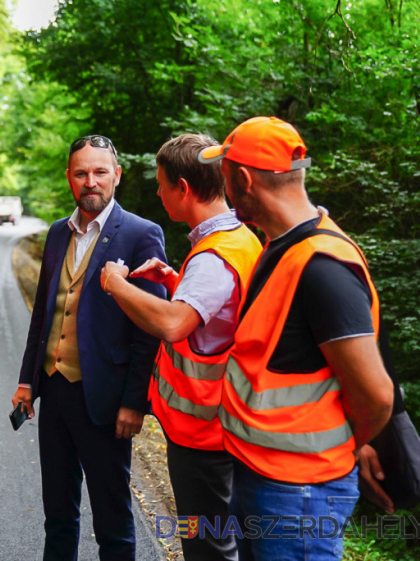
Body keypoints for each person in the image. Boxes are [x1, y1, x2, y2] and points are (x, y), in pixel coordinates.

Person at [197, 116, 394, 561]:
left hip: (299, 493)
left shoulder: (322, 267)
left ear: (243, 179)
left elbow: (376, 396)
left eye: (226, 179)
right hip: (263, 476)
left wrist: (347, 444)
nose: (225, 192)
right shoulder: (280, 246)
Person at [99, 134, 262, 561]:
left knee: (207, 546)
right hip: (225, 424)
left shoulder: (213, 257)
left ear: (184, 189)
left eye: (161, 184)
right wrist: (176, 283)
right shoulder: (239, 239)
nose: (157, 192)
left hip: (204, 433)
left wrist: (115, 284)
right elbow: (222, 316)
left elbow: (173, 325)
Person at [13, 135, 167, 561]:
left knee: (113, 522)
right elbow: (43, 316)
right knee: (57, 515)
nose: (90, 181)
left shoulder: (141, 234)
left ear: (116, 176)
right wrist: (27, 381)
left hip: (105, 398)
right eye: (81, 173)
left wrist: (135, 402)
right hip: (54, 391)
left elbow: (149, 329)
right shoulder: (59, 233)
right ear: (69, 178)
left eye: (100, 172)